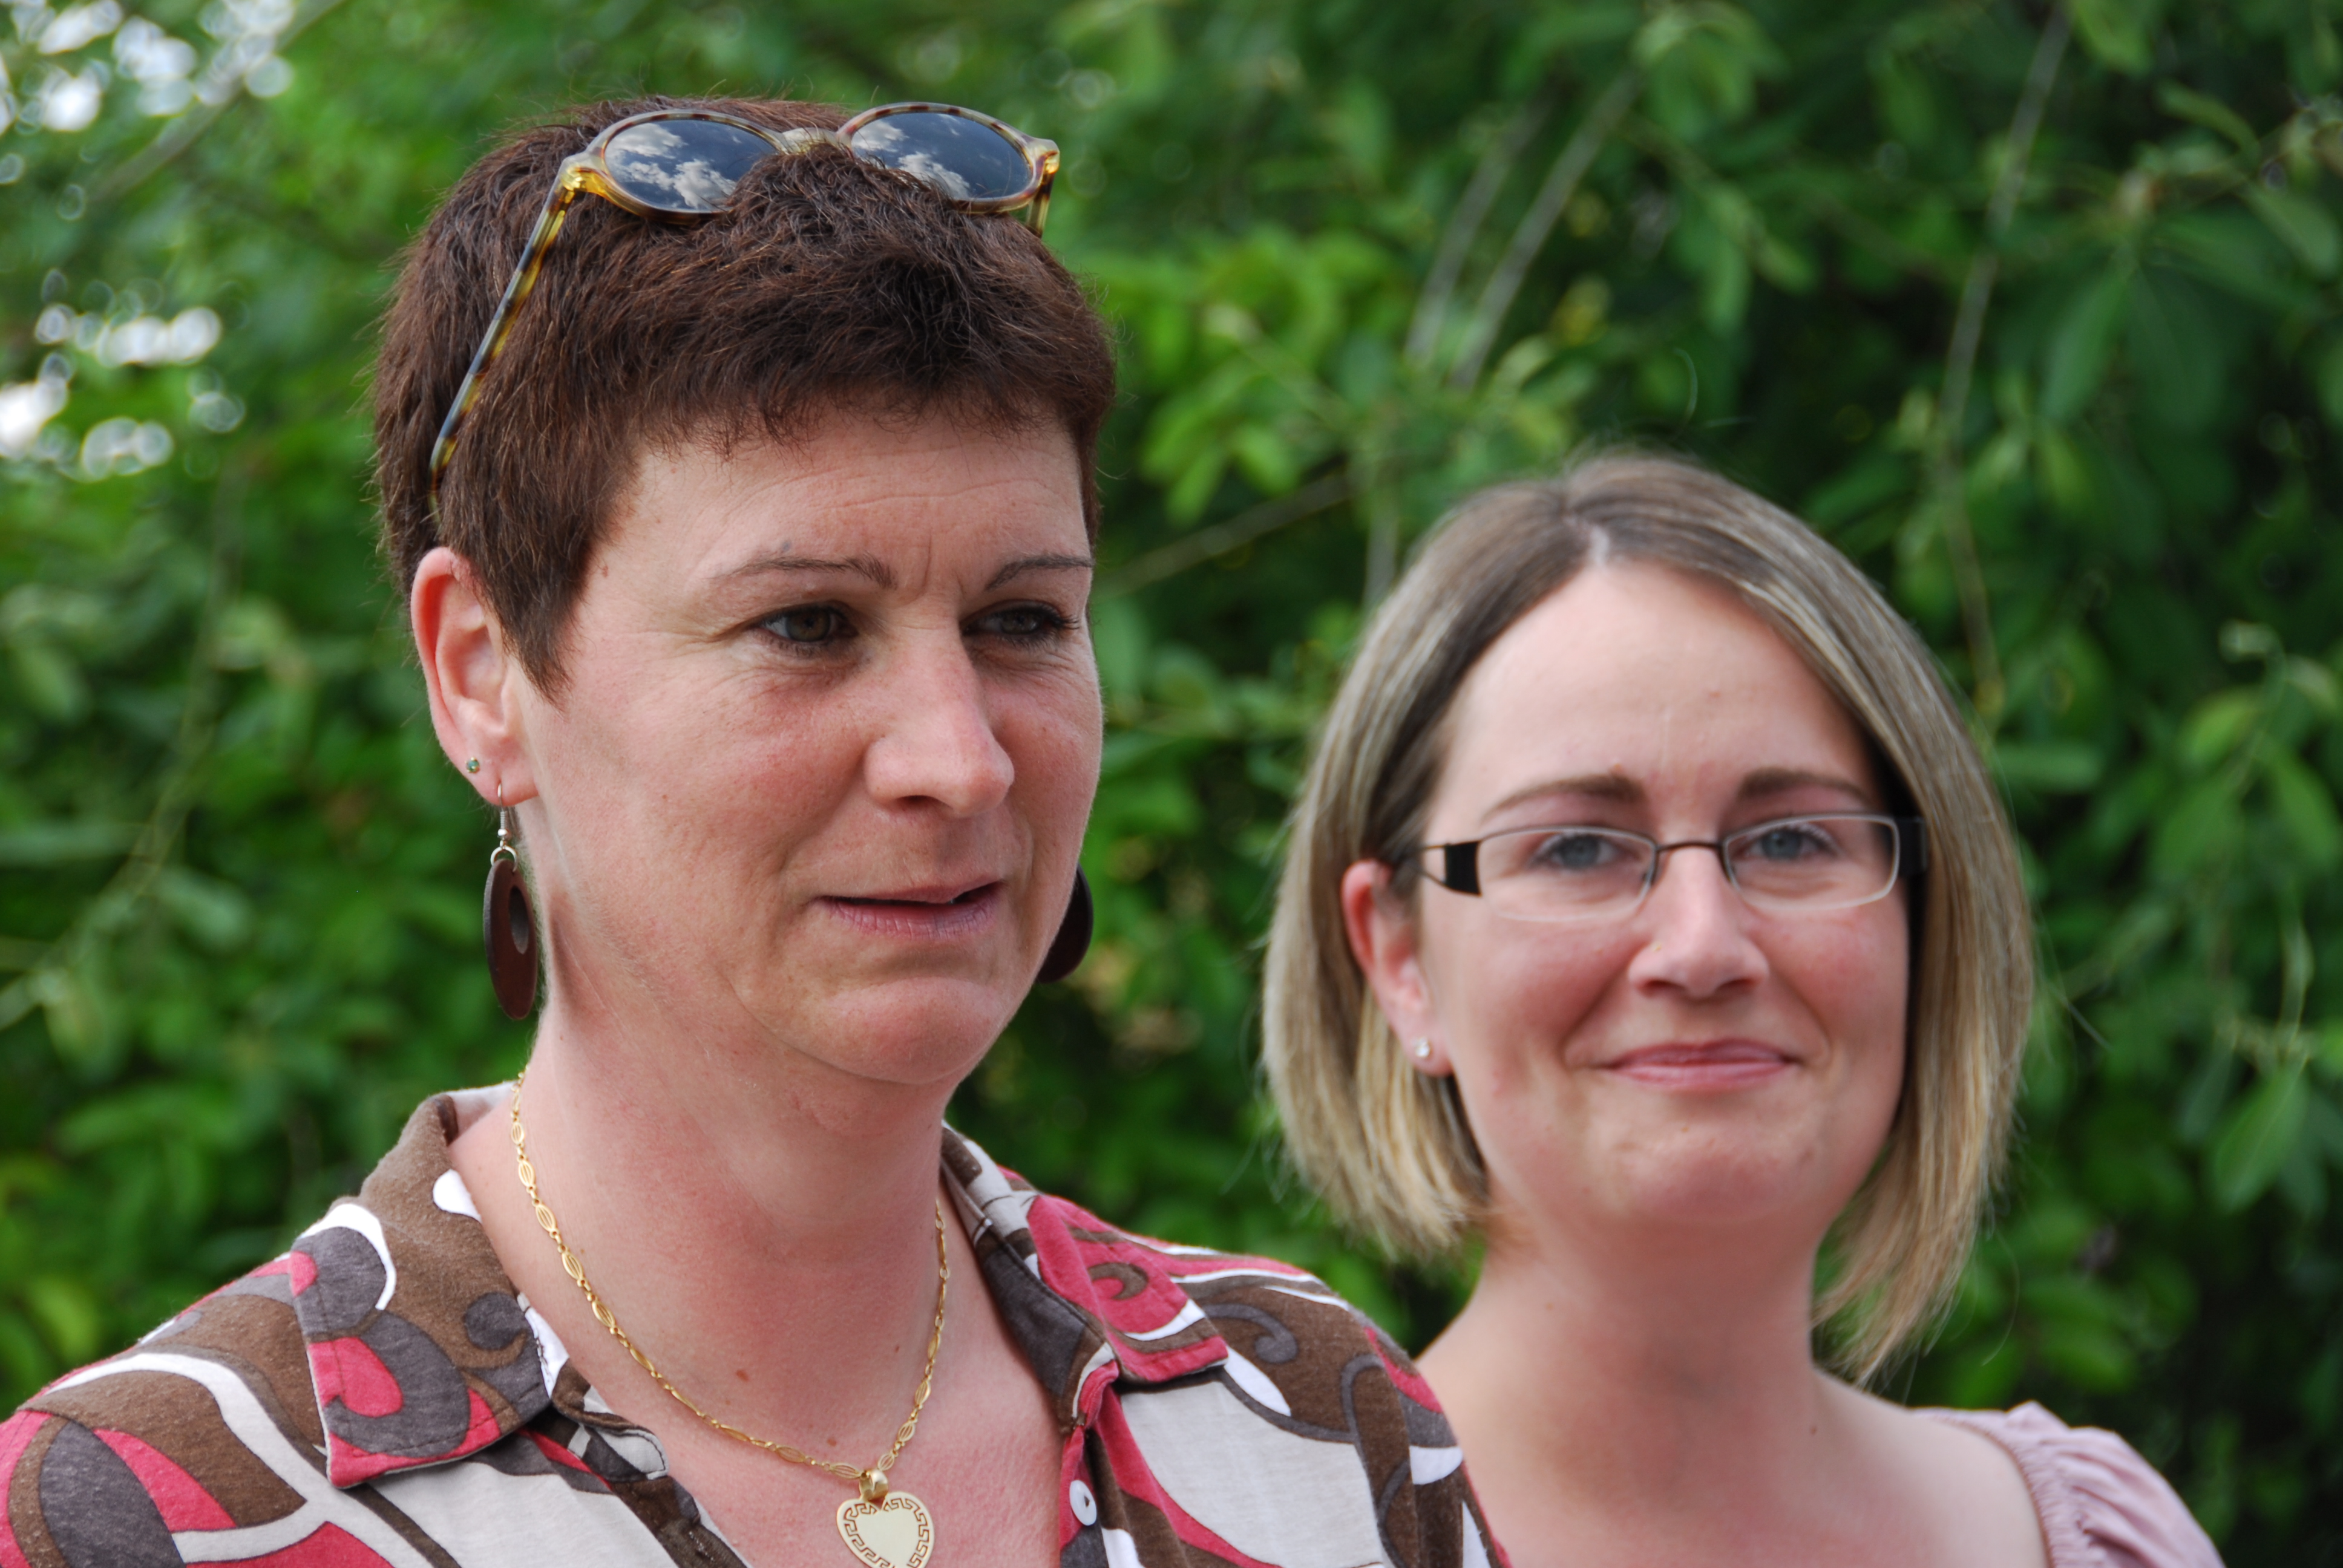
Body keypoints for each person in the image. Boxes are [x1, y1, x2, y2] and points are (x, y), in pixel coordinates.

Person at [2, 96, 1495, 1568]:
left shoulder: (1311, 1428)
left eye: (1022, 620)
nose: (960, 760)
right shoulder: (155, 1517)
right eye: (806, 624)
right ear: (482, 673)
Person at [1263, 454, 2224, 1568]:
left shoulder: (2102, 1543)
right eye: (1575, 848)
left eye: (1793, 839)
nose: (1703, 947)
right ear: (1398, 956)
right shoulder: (1243, 1549)